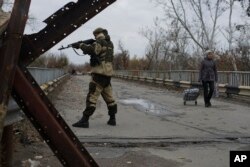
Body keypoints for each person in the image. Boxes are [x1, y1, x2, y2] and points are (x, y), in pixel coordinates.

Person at [72, 27, 117, 128]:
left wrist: (81, 45)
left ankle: (84, 120)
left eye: (95, 35)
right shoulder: (110, 43)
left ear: (98, 34)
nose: (94, 37)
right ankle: (112, 119)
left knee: (91, 98)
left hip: (98, 75)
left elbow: (93, 50)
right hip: (107, 76)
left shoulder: (100, 41)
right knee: (110, 99)